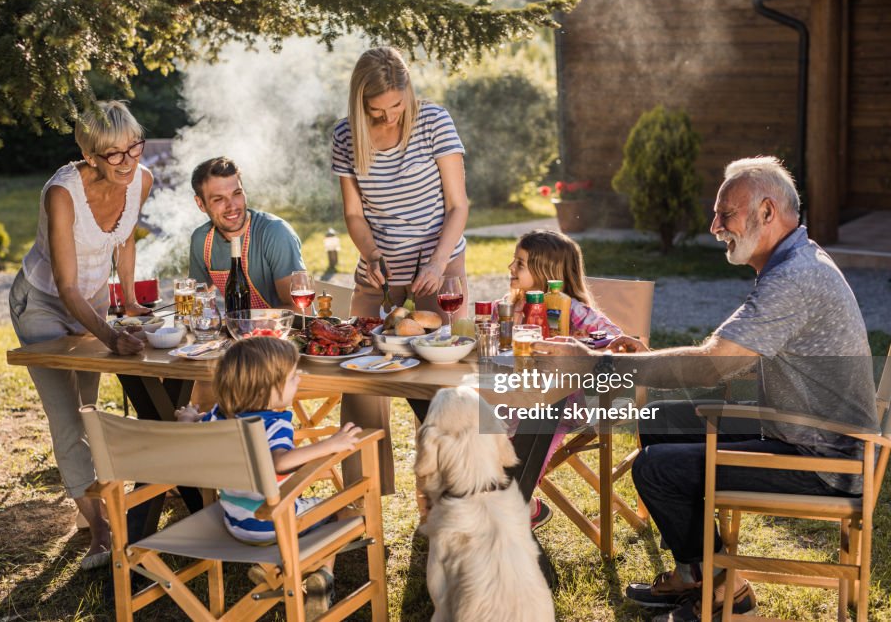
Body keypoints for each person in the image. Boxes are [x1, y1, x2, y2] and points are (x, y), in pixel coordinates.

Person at [534, 157, 878, 621]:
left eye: (725, 214)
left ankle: (726, 596)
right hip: (811, 433)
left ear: (767, 212)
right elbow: (727, 356)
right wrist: (640, 359)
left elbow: (712, 365)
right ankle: (700, 576)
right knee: (659, 424)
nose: (715, 226)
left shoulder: (795, 277)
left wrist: (596, 362)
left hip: (826, 461)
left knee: (657, 470)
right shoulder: (798, 260)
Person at [9, 100, 154, 570]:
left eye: (134, 147)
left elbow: (127, 238)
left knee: (90, 411)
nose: (128, 162)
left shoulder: (140, 179)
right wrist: (111, 337)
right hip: (44, 303)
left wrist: (128, 301)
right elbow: (66, 286)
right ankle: (100, 532)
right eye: (114, 155)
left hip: (91, 305)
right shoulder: (62, 194)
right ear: (90, 156)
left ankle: (90, 500)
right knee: (68, 418)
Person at [332, 46, 469, 494]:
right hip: (379, 268)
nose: (390, 117)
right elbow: (354, 214)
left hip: (437, 264)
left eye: (397, 106)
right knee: (359, 371)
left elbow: (457, 205)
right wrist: (371, 255)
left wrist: (436, 262)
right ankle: (363, 494)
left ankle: (451, 489)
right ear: (360, 104)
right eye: (378, 110)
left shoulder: (433, 121)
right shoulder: (346, 137)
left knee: (440, 381)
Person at [174, 337, 362, 619]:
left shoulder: (218, 417)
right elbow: (280, 462)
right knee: (345, 512)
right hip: (273, 525)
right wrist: (328, 445)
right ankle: (318, 571)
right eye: (292, 377)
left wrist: (187, 418)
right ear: (268, 389)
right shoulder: (276, 425)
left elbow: (190, 431)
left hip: (235, 522)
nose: (299, 378)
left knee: (312, 510)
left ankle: (273, 568)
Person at [503, 230, 623, 530]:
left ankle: (518, 497)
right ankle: (519, 502)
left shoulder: (571, 308)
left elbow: (614, 340)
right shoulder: (512, 306)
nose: (511, 268)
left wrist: (583, 344)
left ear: (546, 272)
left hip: (571, 401)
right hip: (520, 397)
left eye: (520, 263)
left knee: (536, 418)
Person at [188, 156, 306, 311]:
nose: (232, 206)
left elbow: (300, 309)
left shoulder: (276, 233)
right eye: (218, 199)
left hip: (286, 333)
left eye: (237, 193)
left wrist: (249, 324)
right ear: (200, 204)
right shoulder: (201, 239)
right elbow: (197, 303)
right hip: (237, 332)